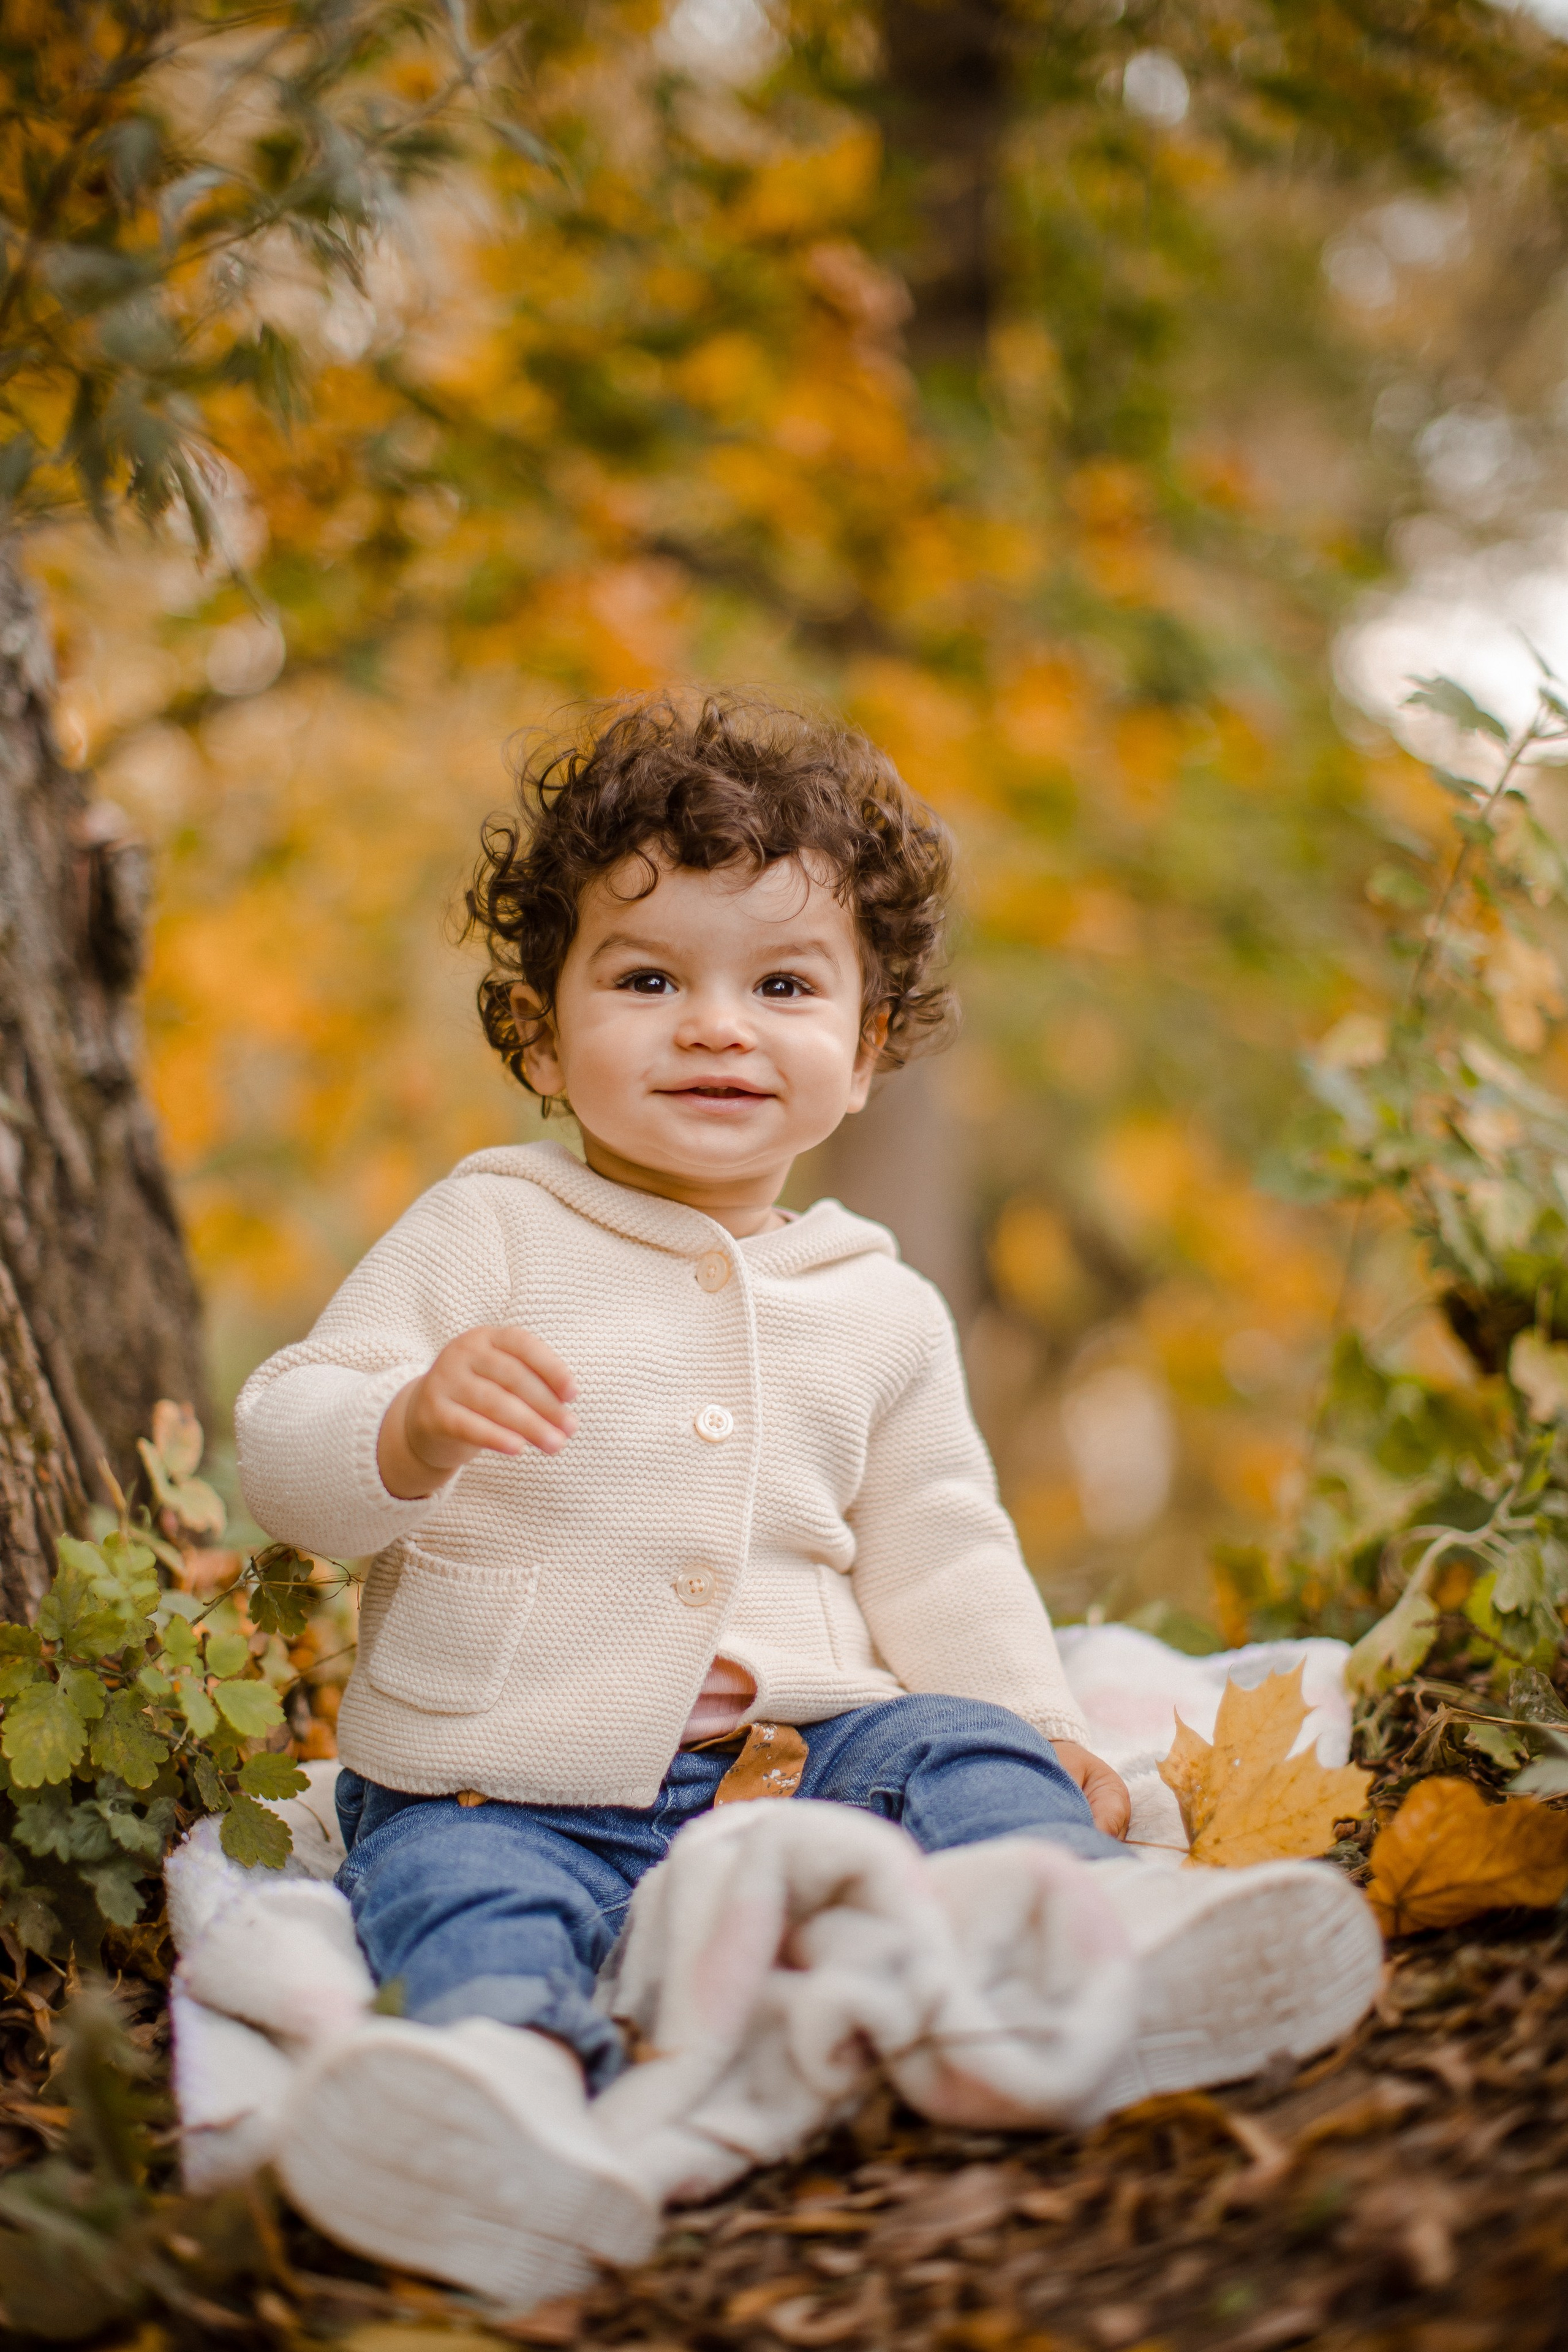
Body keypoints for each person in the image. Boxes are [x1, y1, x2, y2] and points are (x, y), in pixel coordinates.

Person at [235, 692, 1378, 2297]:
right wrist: (407, 1431)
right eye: (647, 980)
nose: (716, 1025)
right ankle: (494, 2102)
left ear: (863, 1052)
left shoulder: (880, 1301)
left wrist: (1037, 1720)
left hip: (803, 1748)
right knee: (459, 1895)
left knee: (958, 1751)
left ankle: (1087, 1943)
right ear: (542, 1035)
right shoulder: (486, 1226)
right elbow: (289, 1439)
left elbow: (943, 1543)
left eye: (782, 985)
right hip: (502, 1768)